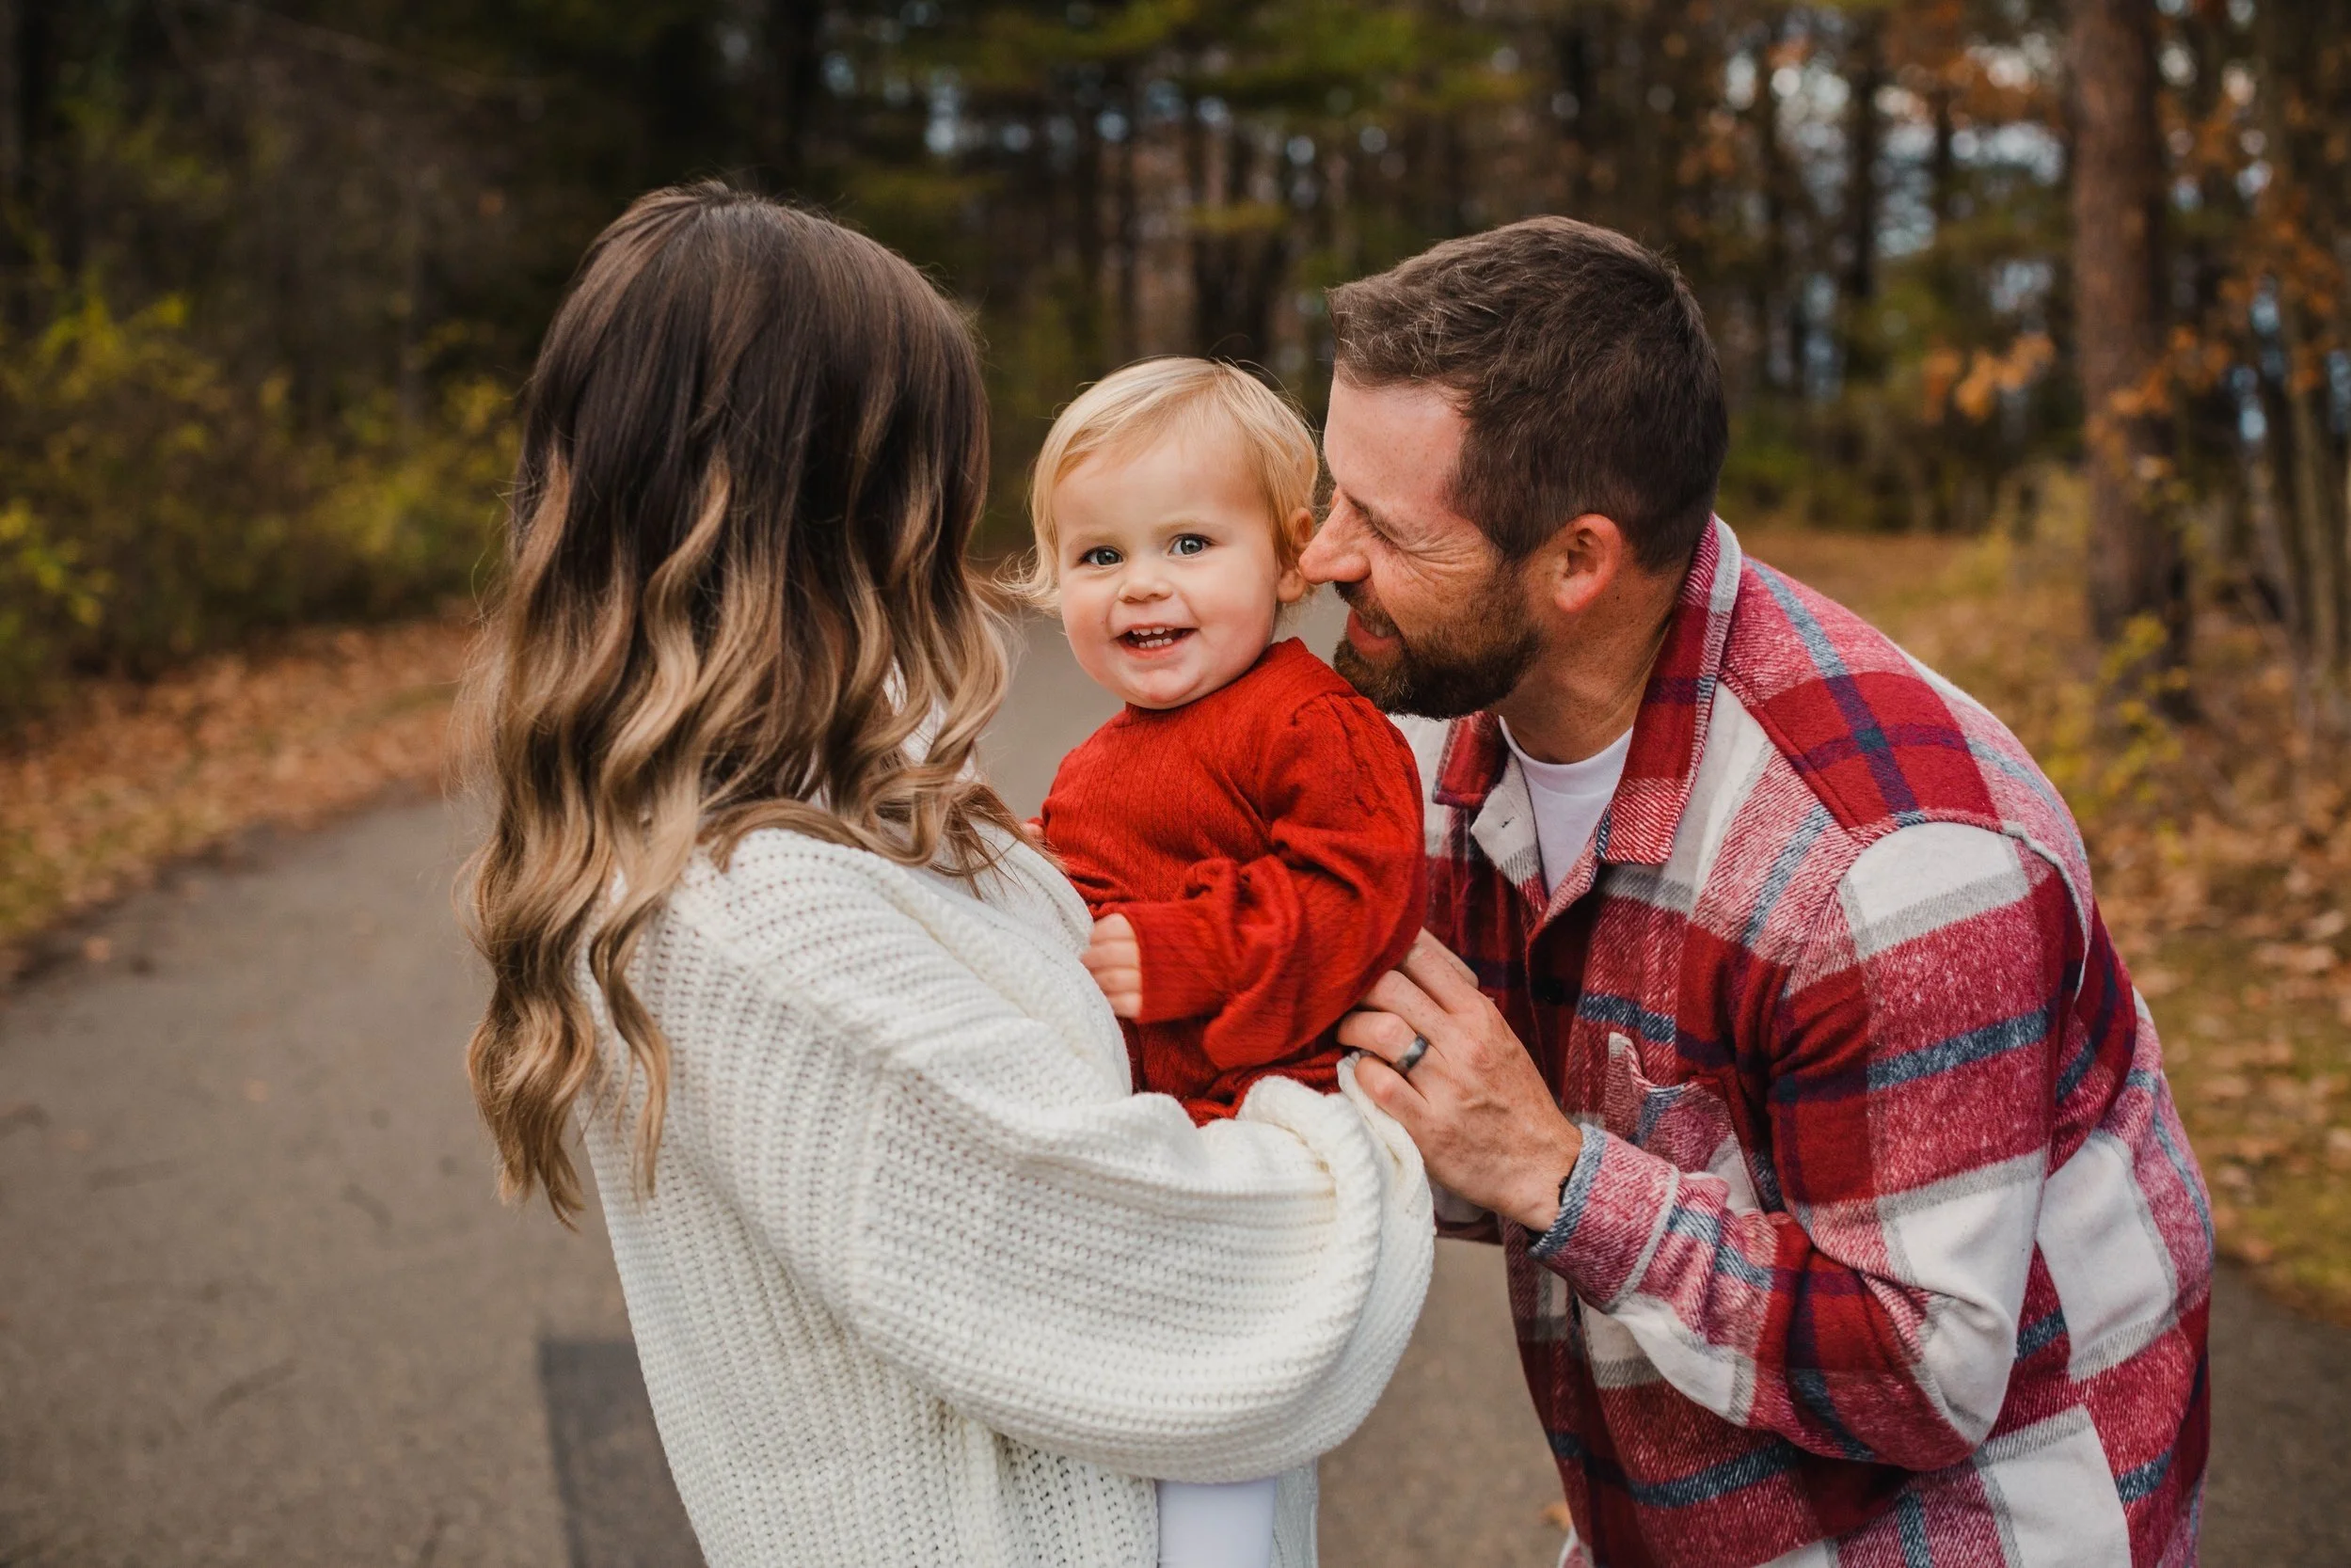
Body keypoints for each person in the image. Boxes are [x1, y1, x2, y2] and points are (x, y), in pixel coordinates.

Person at [458, 183, 1433, 1568]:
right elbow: (1178, 1289)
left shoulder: (849, 803)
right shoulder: (757, 919)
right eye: (937, 468)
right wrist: (1380, 1119)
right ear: (840, 504)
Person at [1311, 216, 2212, 1567]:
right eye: (1331, 494)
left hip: (1964, 1529)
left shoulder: (1893, 863)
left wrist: (1552, 1171)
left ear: (1574, 562)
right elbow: (1413, 1098)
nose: (1319, 555)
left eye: (1378, 526)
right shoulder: (1435, 733)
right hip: (1670, 1509)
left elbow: (1921, 1370)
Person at [1022, 358, 1428, 1568]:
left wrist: (1191, 947)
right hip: (1143, 1138)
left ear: (1292, 555)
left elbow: (1359, 893)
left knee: (1215, 1475)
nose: (1142, 583)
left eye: (1190, 542)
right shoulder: (1096, 762)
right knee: (1113, 1464)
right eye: (1099, 558)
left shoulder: (1312, 722)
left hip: (1251, 1139)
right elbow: (1086, 905)